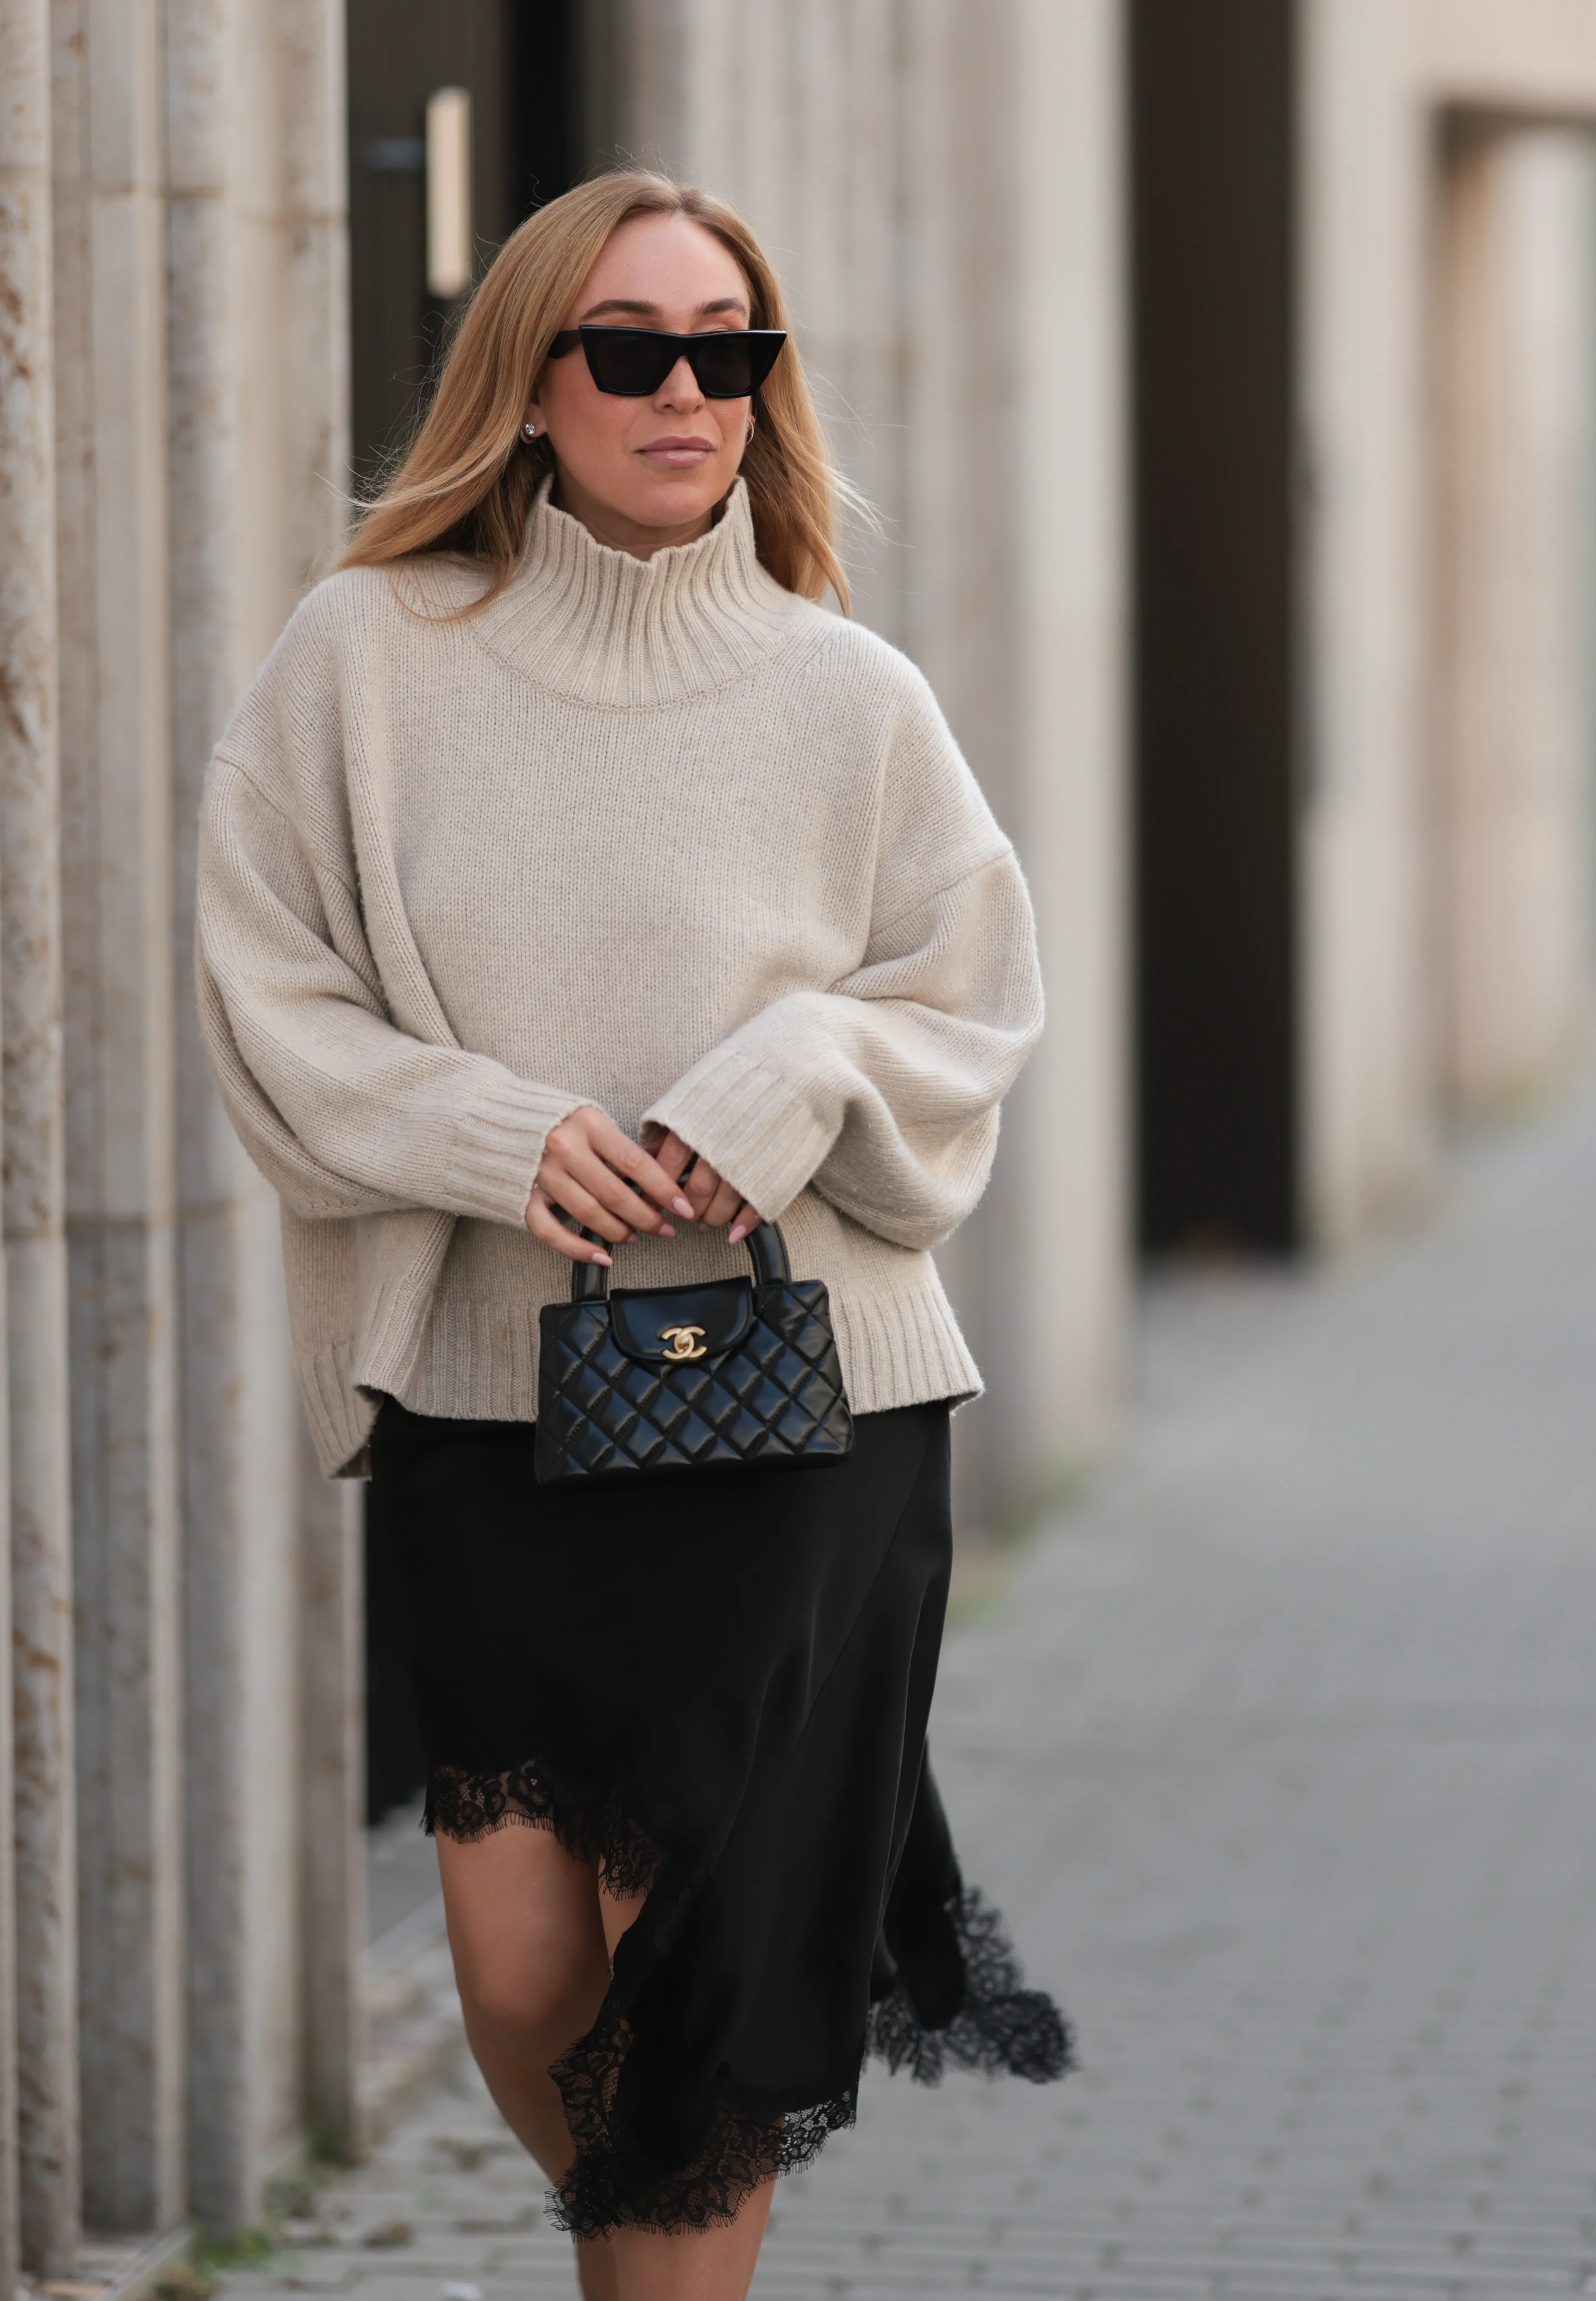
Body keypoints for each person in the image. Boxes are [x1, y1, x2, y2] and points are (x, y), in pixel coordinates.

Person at [194, 169, 1071, 2300]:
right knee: (513, 1966)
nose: (688, 389)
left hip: (811, 1416)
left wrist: (798, 1071)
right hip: (497, 1400)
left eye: (728, 351)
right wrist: (494, 1131)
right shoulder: (368, 661)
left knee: (705, 1965)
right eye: (632, 349)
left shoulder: (846, 693)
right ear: (527, 385)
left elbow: (971, 1004)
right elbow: (265, 985)